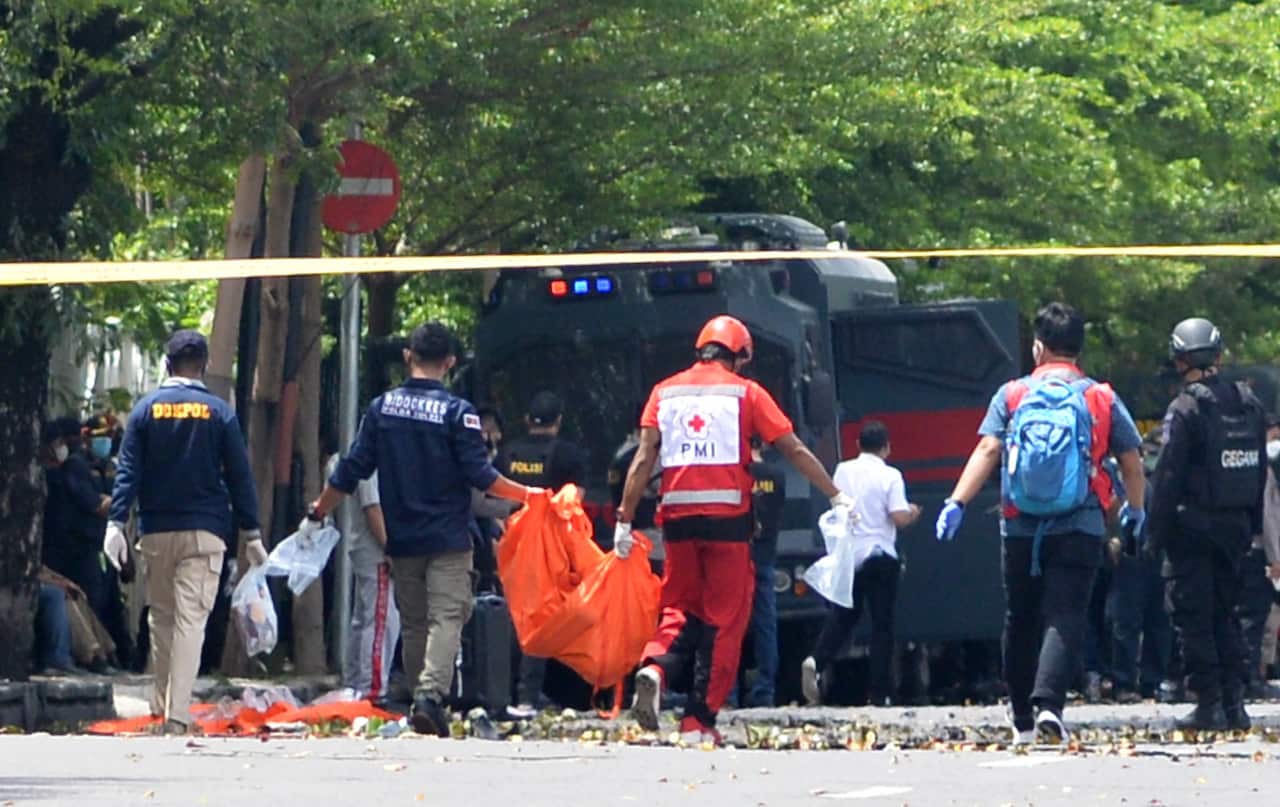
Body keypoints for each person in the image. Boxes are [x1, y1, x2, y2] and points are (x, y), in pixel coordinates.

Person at [615, 314, 853, 744]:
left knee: (679, 609)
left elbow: (643, 458)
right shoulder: (746, 392)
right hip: (727, 523)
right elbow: (793, 447)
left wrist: (624, 518)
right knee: (725, 621)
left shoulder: (664, 392)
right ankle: (698, 721)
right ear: (740, 355)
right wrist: (835, 493)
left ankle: (654, 668)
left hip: (677, 522)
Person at [301, 322, 540, 737]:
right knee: (447, 615)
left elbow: (351, 470)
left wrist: (319, 510)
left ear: (408, 356)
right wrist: (530, 494)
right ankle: (430, 695)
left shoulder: (381, 409)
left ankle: (419, 703)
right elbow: (482, 476)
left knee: (412, 621)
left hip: (401, 537)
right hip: (447, 537)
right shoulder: (458, 412)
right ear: (449, 363)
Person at [936, 302, 1145, 744]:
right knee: (1065, 615)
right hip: (1081, 523)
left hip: (1019, 526)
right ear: (1079, 349)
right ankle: (1048, 705)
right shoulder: (1100, 397)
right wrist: (1135, 510)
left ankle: (1021, 721)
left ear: (1038, 348)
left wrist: (957, 501)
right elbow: (1131, 459)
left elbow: (988, 450)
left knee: (1021, 616)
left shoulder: (1012, 395)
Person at [103, 329, 266, 735]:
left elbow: (127, 473)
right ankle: (177, 715)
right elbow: (240, 476)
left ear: (166, 364)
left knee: (161, 618)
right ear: (206, 366)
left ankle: (159, 708)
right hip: (206, 532)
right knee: (191, 620)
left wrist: (115, 522)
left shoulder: (145, 410)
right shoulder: (220, 412)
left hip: (156, 531)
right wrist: (252, 533)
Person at [1147, 317, 1267, 731]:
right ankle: (1235, 704)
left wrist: (1153, 533)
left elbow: (1166, 476)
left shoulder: (1186, 407)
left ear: (1180, 359)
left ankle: (1208, 703)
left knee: (1194, 616)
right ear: (1217, 355)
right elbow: (1260, 470)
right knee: (1229, 614)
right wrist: (1252, 525)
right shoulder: (1249, 402)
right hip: (1236, 528)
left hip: (1192, 530)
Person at [802, 421, 921, 707]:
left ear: (858, 445)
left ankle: (816, 660)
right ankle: (880, 694)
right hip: (881, 556)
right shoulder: (890, 475)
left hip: (852, 558)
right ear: (887, 447)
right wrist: (914, 512)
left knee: (844, 617)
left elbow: (838, 506)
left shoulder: (843, 470)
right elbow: (898, 517)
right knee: (882, 626)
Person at [496, 390, 589, 716]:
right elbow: (573, 503)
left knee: (510, 618)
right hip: (549, 553)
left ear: (526, 420)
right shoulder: (568, 456)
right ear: (559, 421)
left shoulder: (508, 454)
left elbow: (494, 496)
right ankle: (530, 696)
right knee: (541, 621)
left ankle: (503, 693)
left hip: (510, 547)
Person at [1106, 431, 1172, 702]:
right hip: (1130, 551)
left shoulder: (1161, 477)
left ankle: (1151, 681)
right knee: (1127, 620)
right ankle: (1124, 682)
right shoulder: (1115, 477)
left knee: (1158, 620)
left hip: (1155, 552)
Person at [332, 459, 401, 706]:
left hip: (369, 549)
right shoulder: (372, 463)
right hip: (376, 551)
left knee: (366, 619)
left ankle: (356, 685)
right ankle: (372, 689)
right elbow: (373, 509)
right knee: (381, 620)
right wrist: (390, 548)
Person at [1236, 413, 1280, 701]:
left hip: (1237, 547)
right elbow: (1268, 515)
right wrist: (1276, 556)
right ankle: (1250, 677)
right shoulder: (1264, 470)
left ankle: (1246, 676)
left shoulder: (1241, 464)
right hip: (1257, 551)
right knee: (1254, 617)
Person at [742, 439, 786, 707]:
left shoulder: (737, 473)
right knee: (766, 626)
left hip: (737, 558)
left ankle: (727, 692)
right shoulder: (776, 476)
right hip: (766, 556)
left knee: (728, 626)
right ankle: (765, 690)